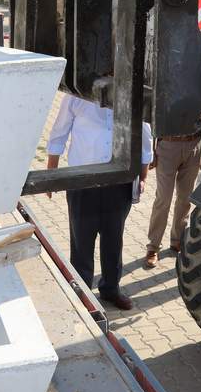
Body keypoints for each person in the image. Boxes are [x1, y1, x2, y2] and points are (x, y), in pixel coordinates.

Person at [46, 92, 151, 310]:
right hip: (82, 181)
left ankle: (110, 289)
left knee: (113, 239)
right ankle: (82, 293)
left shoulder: (130, 92)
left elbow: (144, 133)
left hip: (118, 180)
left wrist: (143, 174)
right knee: (82, 241)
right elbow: (59, 130)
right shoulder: (76, 95)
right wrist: (51, 174)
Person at [144, 120, 201, 268]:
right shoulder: (165, 94)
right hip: (167, 146)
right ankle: (153, 247)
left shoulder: (198, 96)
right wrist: (152, 150)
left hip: (193, 147)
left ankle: (177, 241)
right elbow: (154, 119)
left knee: (185, 199)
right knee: (163, 199)